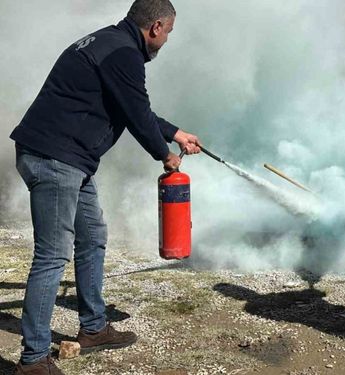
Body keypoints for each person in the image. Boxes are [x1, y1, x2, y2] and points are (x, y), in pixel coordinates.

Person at [9, 1, 201, 374]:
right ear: (157, 27)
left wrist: (176, 133)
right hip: (54, 158)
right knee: (52, 255)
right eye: (169, 34)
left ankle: (94, 327)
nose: (166, 42)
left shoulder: (109, 43)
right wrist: (165, 154)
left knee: (93, 235)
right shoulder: (123, 54)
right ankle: (32, 360)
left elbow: (133, 107)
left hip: (69, 159)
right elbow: (136, 113)